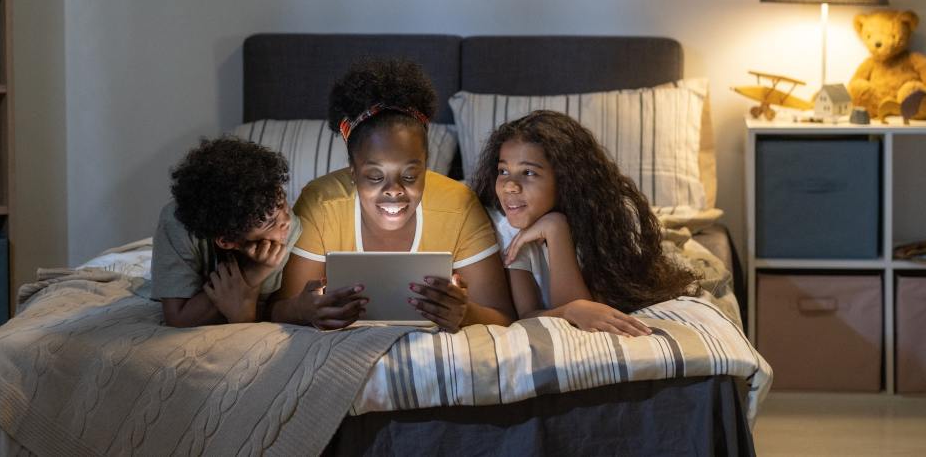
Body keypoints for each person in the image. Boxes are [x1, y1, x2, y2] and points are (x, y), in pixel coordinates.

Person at [271, 58, 516, 332]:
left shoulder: (458, 205)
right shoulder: (322, 203)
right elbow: (278, 309)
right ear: (352, 171)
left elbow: (503, 316)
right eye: (375, 176)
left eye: (410, 176)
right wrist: (305, 309)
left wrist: (466, 313)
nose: (394, 190)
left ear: (426, 165)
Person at [471, 110, 697, 336]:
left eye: (528, 172)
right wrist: (571, 310)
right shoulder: (505, 230)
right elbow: (527, 315)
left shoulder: (604, 218)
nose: (510, 186)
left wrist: (555, 228)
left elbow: (597, 303)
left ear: (566, 177)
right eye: (503, 171)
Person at [151, 136, 302, 327]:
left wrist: (244, 310)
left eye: (283, 204)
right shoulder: (175, 224)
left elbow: (262, 310)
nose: (286, 221)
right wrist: (255, 272)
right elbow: (178, 318)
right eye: (270, 222)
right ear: (227, 241)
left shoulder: (289, 228)